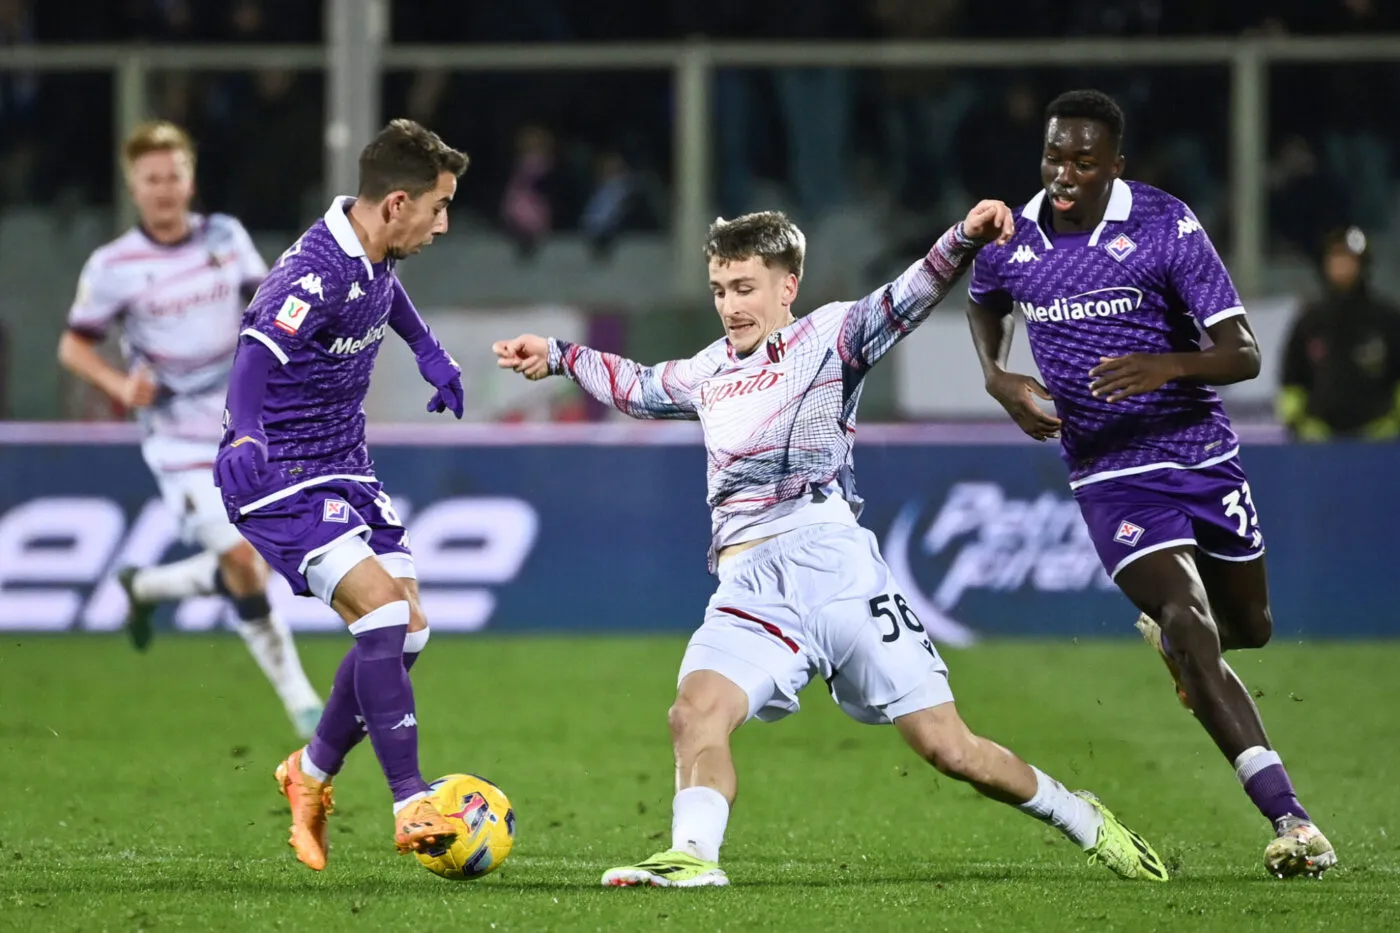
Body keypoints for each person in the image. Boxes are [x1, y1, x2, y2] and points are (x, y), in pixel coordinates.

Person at [493, 203, 1168, 888]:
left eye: (745, 287)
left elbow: (910, 294)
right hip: (750, 581)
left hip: (835, 566)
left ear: (787, 286)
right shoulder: (708, 371)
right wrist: (559, 355)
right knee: (693, 713)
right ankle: (692, 855)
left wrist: (964, 236)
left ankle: (1080, 816)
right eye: (720, 289)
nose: (730, 305)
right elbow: (639, 387)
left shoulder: (831, 336)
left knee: (948, 747)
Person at [965, 89, 1335, 879]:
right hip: (1108, 470)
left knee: (1250, 627)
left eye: (1084, 161)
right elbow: (984, 300)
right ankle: (1292, 820)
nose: (1064, 174)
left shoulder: (1165, 224)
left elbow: (1243, 353)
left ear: (1115, 166)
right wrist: (997, 377)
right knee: (1190, 621)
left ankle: (1181, 648)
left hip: (1199, 454)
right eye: (1054, 156)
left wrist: (1165, 365)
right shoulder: (1013, 237)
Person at [213, 118, 468, 870]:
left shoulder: (373, 252)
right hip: (279, 474)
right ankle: (411, 799)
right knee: (382, 612)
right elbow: (255, 351)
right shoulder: (313, 271)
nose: (443, 225)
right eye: (439, 208)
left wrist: (429, 352)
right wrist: (244, 434)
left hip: (344, 464)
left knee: (409, 631)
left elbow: (385, 296)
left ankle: (310, 771)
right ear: (397, 204)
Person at [58, 120, 322, 739]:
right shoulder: (113, 265)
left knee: (259, 557)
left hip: (247, 427)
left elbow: (266, 305)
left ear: (190, 180)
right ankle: (302, 703)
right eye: (151, 179)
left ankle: (147, 586)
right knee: (243, 558)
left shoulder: (225, 236)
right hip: (178, 441)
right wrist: (120, 386)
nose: (163, 189)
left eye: (172, 176)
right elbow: (73, 346)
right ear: (134, 187)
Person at [1278, 225, 1400, 441]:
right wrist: (1301, 425)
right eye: (1335, 258)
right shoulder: (1310, 321)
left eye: (1348, 258)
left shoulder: (1388, 319)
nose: (1341, 265)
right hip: (1321, 444)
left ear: (1363, 264)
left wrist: (1390, 426)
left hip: (1380, 443)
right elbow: (1292, 380)